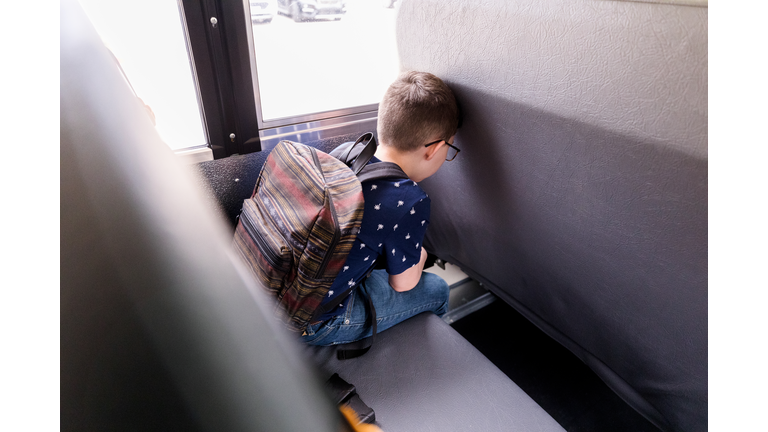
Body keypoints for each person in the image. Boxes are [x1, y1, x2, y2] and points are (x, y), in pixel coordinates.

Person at [301, 71, 461, 346]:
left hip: (281, 289)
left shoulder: (349, 151)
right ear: (434, 149)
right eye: (450, 147)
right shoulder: (411, 200)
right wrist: (421, 256)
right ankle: (422, 356)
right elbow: (403, 284)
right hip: (315, 321)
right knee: (437, 288)